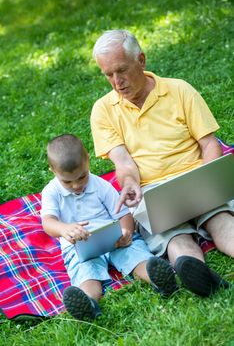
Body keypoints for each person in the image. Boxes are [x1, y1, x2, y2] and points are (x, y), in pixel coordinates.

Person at [90, 29, 233, 297]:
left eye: (121, 70)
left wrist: (207, 179)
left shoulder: (179, 90)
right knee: (173, 236)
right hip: (152, 192)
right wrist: (130, 183)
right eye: (108, 74)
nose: (116, 81)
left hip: (195, 175)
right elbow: (123, 163)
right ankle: (198, 275)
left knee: (222, 220)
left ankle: (200, 260)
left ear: (141, 60)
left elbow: (209, 144)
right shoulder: (103, 110)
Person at [40, 134, 178, 321]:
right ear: (52, 170)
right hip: (80, 247)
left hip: (114, 238)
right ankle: (87, 303)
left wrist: (126, 233)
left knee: (135, 256)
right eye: (67, 182)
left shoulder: (100, 185)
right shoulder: (51, 192)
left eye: (82, 177)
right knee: (86, 274)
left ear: (87, 160)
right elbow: (48, 222)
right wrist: (64, 229)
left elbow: (123, 214)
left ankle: (161, 279)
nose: (76, 185)